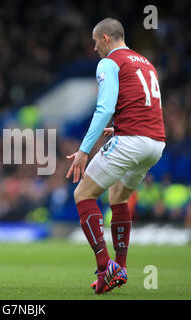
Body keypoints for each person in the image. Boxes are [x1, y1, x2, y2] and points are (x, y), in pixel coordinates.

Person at [66, 18, 165, 294]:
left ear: (106, 39)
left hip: (131, 141)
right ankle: (119, 268)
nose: (94, 46)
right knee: (118, 197)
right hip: (155, 143)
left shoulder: (110, 62)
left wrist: (84, 150)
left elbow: (105, 107)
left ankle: (104, 266)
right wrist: (122, 126)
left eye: (95, 41)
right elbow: (145, 103)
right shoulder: (145, 62)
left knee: (83, 195)